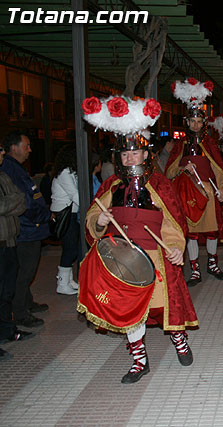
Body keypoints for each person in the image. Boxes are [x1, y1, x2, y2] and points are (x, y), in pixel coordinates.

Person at [79, 94, 198, 384]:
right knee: (131, 312)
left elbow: (173, 223)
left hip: (154, 257)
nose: (130, 158)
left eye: (135, 153)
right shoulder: (112, 185)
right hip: (122, 258)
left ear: (146, 154)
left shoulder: (159, 184)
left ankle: (180, 341)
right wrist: (99, 221)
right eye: (124, 154)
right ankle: (139, 360)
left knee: (167, 307)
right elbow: (92, 217)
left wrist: (174, 248)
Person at [165, 78, 223, 286]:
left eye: (199, 121)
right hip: (186, 194)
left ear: (204, 123)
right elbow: (169, 173)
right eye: (192, 121)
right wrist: (184, 168)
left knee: (211, 231)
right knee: (191, 234)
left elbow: (219, 169)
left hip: (208, 193)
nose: (195, 125)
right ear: (187, 122)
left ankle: (212, 264)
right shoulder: (180, 145)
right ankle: (194, 269)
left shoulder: (209, 143)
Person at [0, 131, 50, 328]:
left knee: (25, 270)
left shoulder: (15, 169)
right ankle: (20, 312)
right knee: (24, 272)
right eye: (26, 145)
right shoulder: (10, 170)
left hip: (30, 227)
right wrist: (43, 216)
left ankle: (26, 302)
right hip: (27, 229)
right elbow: (23, 201)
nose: (30, 150)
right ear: (14, 148)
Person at [0, 144, 33, 360]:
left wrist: (11, 202)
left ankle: (7, 330)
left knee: (6, 291)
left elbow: (22, 200)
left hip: (9, 240)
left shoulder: (3, 175)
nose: (2, 153)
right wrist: (12, 201)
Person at [50, 145, 80, 295]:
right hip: (65, 213)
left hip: (70, 212)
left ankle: (67, 280)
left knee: (71, 247)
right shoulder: (64, 173)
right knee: (70, 248)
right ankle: (62, 283)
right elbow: (75, 195)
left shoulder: (68, 172)